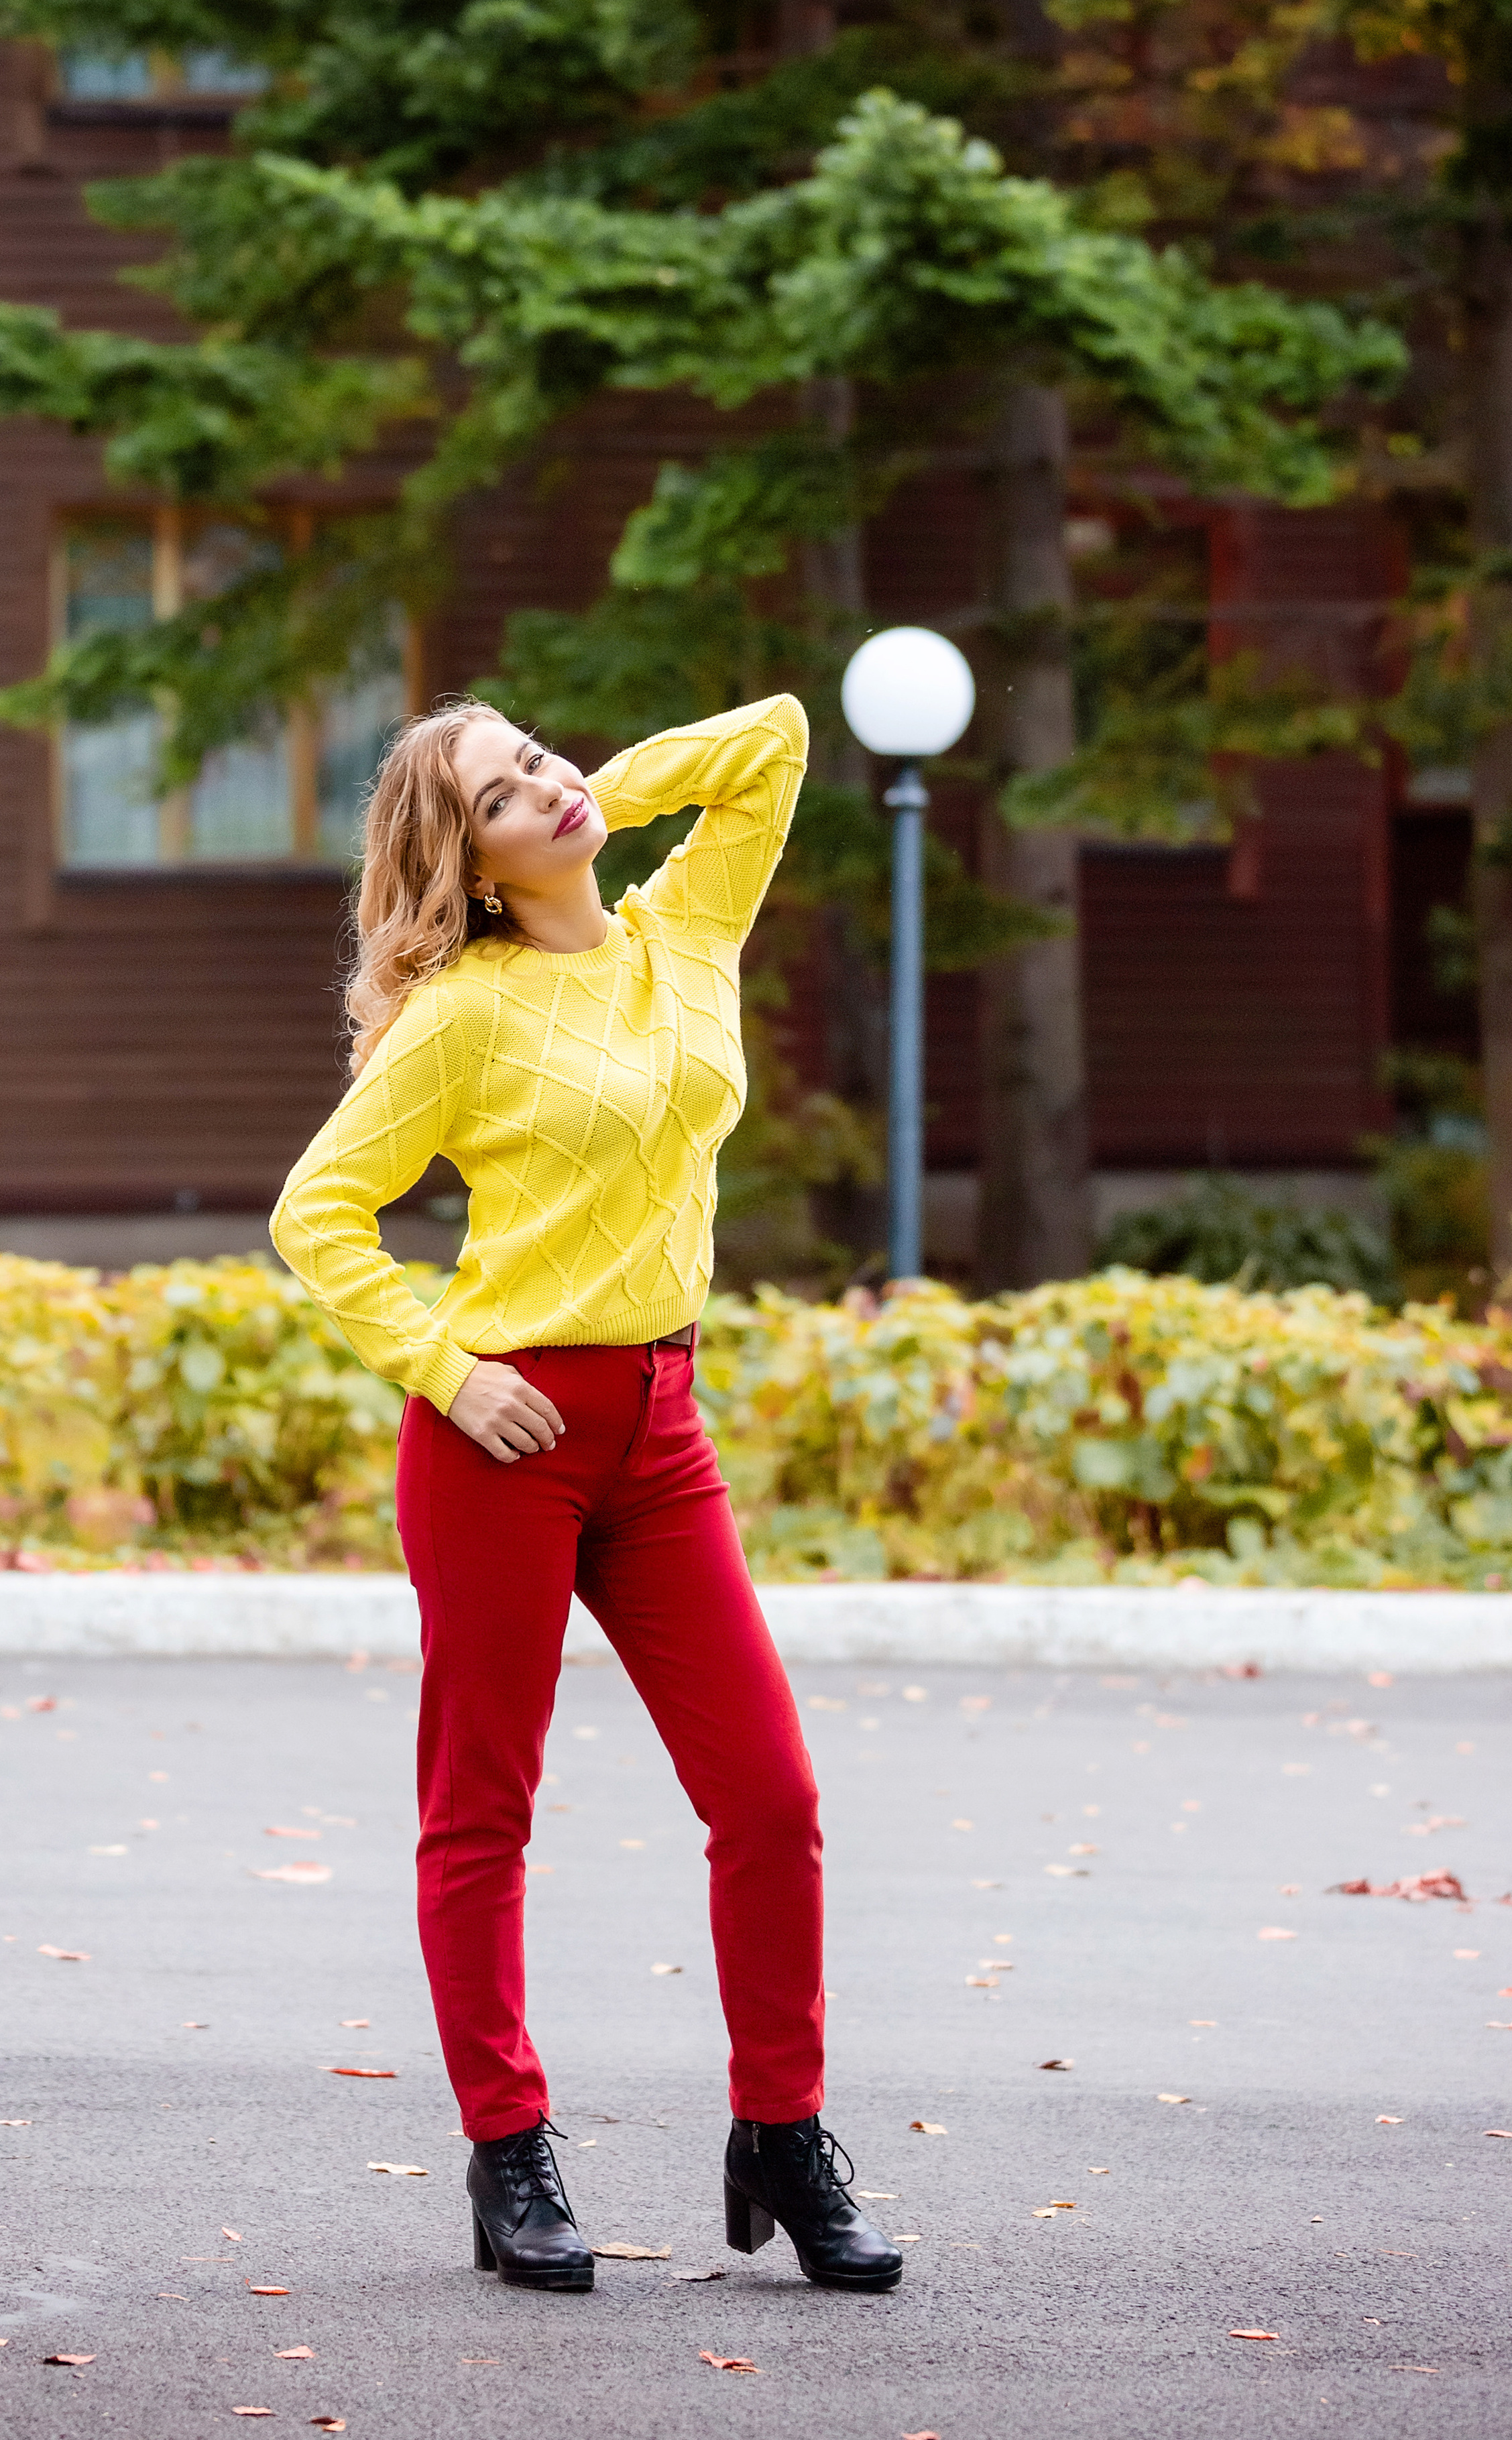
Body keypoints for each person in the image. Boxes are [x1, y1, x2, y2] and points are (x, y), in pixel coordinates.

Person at [271, 691, 900, 2298]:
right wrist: (444, 1368)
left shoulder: (685, 930)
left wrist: (590, 793)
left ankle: (781, 2134)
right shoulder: (461, 1018)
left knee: (770, 1801)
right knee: (482, 1810)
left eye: (538, 759)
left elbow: (772, 741)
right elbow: (317, 1213)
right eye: (501, 797)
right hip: (503, 1441)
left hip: (661, 1435)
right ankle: (508, 2152)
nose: (545, 788)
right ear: (465, 866)